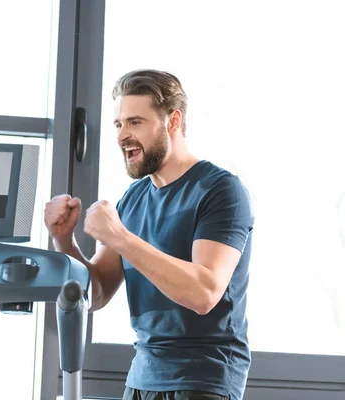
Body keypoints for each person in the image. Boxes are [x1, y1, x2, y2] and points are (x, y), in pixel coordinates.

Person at [44, 69, 254, 400]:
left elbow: (204, 292)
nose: (122, 135)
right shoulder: (134, 197)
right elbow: (96, 293)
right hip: (142, 378)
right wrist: (64, 239)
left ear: (172, 121)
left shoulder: (219, 190)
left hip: (202, 380)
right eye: (119, 124)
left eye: (135, 122)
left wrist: (121, 238)